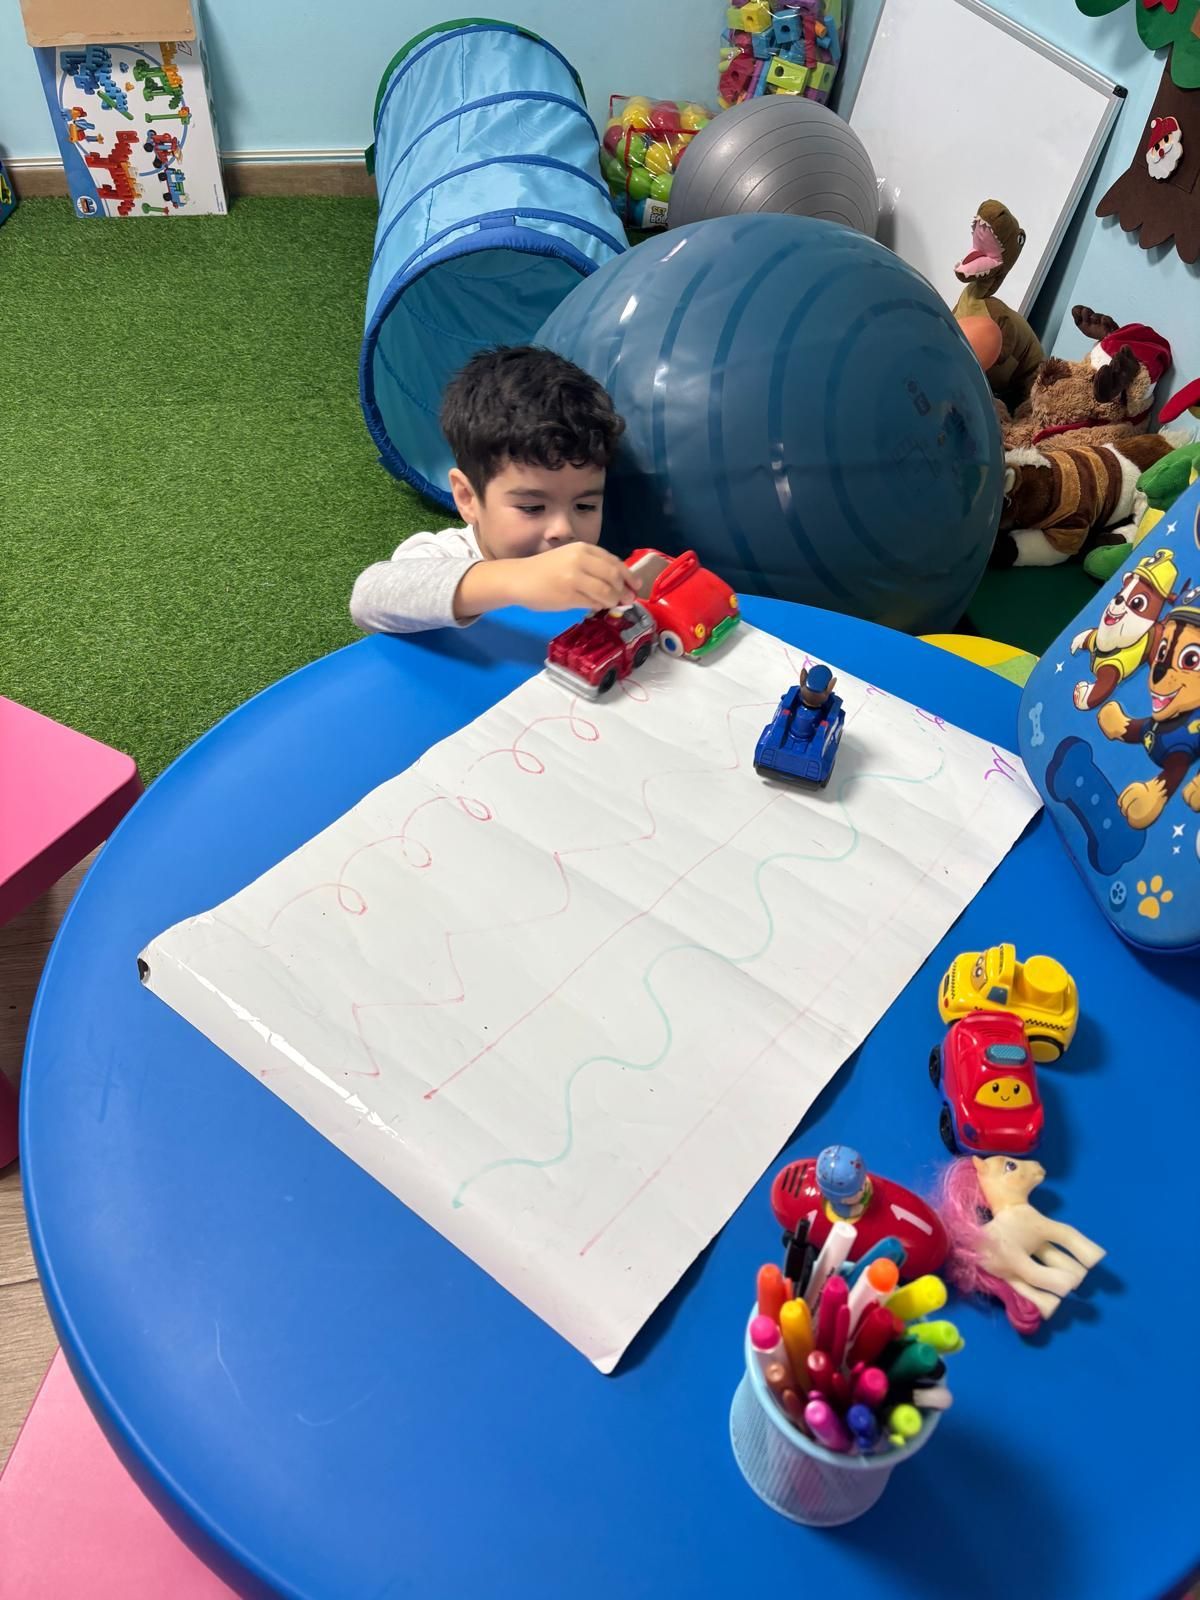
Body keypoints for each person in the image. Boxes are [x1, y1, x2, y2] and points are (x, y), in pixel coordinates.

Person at [350, 346, 637, 634]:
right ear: (467, 497)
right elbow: (369, 597)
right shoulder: (447, 554)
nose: (563, 530)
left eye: (585, 506)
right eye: (532, 508)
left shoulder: (582, 568)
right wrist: (517, 579)